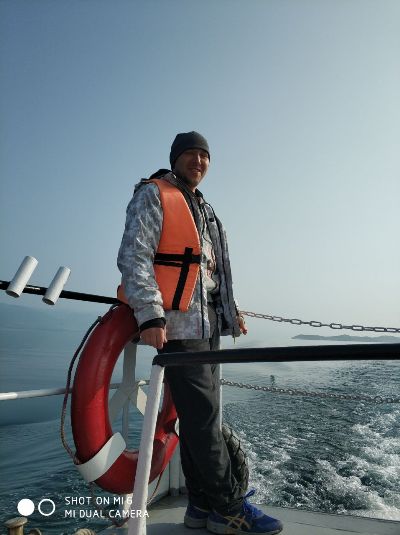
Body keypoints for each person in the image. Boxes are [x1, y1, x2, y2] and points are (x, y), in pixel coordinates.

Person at [117, 131, 283, 535]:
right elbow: (134, 255)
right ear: (175, 158)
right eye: (191, 153)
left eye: (204, 155)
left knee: (196, 418)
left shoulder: (204, 208)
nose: (199, 161)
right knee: (205, 418)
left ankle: (201, 506)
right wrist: (150, 316)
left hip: (207, 326)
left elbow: (211, 271)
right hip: (178, 326)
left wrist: (230, 312)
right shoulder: (153, 194)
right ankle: (229, 508)